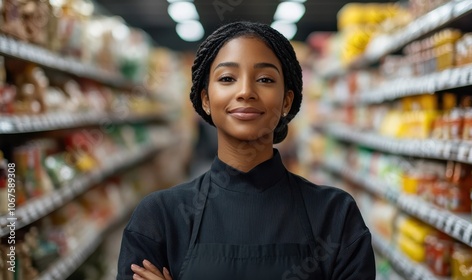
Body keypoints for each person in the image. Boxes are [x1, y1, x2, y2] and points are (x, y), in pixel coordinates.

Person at [117, 21, 376, 280]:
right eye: (227, 78)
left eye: (264, 79)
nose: (245, 92)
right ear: (205, 99)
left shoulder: (335, 215)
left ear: (287, 100)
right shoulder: (159, 218)